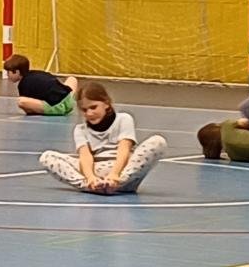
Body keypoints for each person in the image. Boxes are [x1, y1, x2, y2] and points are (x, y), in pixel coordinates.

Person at [38, 80, 168, 195]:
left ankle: (117, 184)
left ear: (106, 103)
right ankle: (91, 186)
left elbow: (124, 150)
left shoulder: (124, 119)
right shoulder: (80, 130)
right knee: (47, 157)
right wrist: (90, 178)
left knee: (158, 142)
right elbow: (85, 157)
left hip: (122, 172)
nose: (89, 113)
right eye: (84, 110)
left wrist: (115, 175)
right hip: (96, 171)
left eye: (93, 107)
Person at [3, 53, 77, 117]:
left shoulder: (23, 84)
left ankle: (57, 109)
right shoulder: (35, 73)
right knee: (72, 79)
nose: (7, 75)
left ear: (17, 72)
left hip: (58, 108)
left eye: (8, 72)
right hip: (69, 101)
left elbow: (28, 110)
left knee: (21, 101)